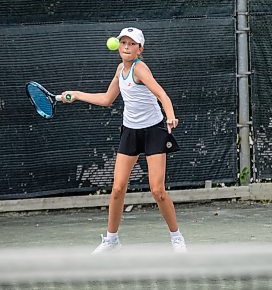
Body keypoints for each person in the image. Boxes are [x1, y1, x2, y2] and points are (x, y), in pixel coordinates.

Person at [61, 27, 187, 254]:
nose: (126, 47)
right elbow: (108, 99)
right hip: (130, 130)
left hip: (154, 130)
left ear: (140, 49)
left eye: (131, 44)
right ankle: (111, 240)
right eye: (123, 43)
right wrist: (77, 94)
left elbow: (162, 94)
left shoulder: (140, 69)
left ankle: (176, 237)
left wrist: (170, 116)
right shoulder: (120, 69)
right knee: (118, 188)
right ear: (118, 46)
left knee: (157, 190)